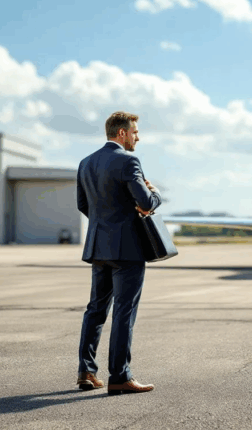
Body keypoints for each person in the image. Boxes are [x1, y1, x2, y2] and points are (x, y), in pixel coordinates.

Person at [75, 111, 162, 395]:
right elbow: (146, 203)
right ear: (122, 134)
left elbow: (83, 205)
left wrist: (105, 223)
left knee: (95, 310)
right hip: (127, 249)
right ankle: (120, 376)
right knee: (124, 312)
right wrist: (155, 194)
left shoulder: (86, 163)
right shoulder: (129, 160)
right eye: (135, 131)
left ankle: (86, 371)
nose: (138, 136)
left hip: (98, 246)